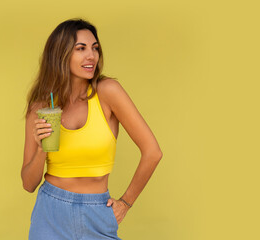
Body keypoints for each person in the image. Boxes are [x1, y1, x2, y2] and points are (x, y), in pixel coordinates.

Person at [21, 18, 163, 240]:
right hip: (49, 214)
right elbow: (28, 184)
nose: (91, 56)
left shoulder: (108, 92)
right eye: (81, 49)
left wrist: (125, 203)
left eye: (95, 48)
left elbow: (153, 152)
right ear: (60, 54)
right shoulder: (41, 106)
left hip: (96, 211)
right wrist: (41, 150)